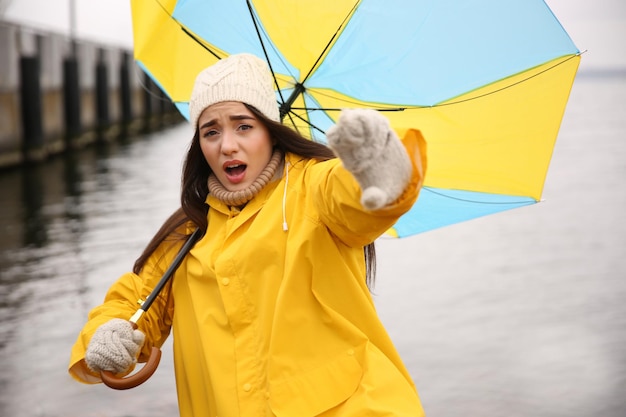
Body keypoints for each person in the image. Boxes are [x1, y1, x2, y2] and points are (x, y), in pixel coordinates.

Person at [69, 53, 427, 416]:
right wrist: (107, 330)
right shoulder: (188, 233)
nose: (227, 145)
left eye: (244, 126)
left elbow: (353, 197)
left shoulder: (311, 188)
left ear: (270, 132)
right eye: (211, 131)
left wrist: (382, 172)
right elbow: (133, 302)